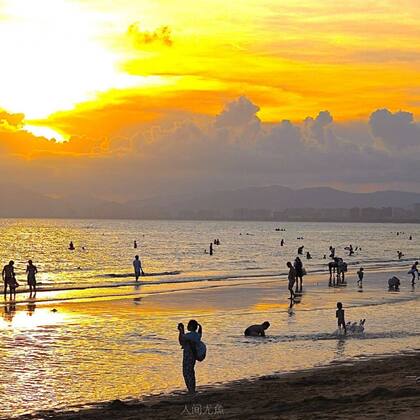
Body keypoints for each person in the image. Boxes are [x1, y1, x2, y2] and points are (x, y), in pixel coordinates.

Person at [178, 320, 202, 394]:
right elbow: (200, 333)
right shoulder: (197, 335)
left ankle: (191, 390)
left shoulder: (191, 335)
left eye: (188, 325)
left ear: (191, 326)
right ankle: (192, 389)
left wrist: (181, 330)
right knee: (190, 372)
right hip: (193, 356)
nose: (187, 326)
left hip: (188, 356)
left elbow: (181, 340)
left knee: (186, 372)